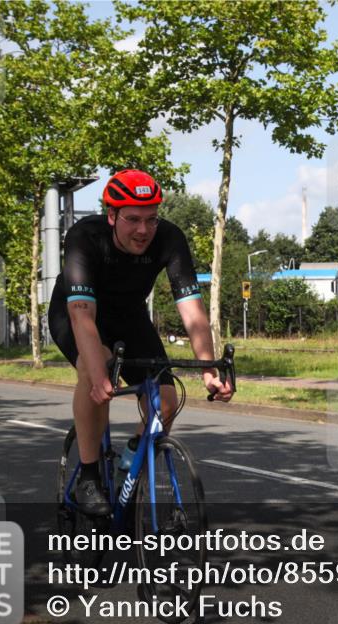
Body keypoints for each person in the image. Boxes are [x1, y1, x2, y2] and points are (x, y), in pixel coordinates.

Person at [48, 169, 233, 516]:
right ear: (112, 215)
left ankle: (129, 467)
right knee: (96, 368)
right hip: (77, 312)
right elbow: (81, 315)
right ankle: (88, 475)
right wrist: (99, 375)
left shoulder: (169, 238)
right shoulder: (85, 236)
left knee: (166, 401)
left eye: (151, 219)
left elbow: (192, 312)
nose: (143, 230)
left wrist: (209, 370)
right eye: (132, 219)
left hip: (129, 317)